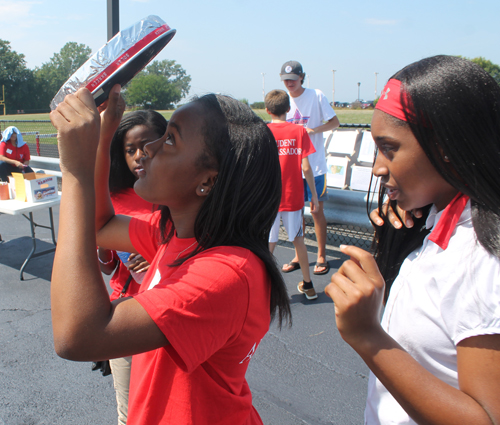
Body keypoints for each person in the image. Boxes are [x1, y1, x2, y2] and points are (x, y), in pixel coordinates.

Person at [49, 84, 291, 425]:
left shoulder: (225, 274)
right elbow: (101, 225)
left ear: (207, 180)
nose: (149, 148)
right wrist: (104, 138)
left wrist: (75, 172)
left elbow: (77, 336)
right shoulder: (174, 234)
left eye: (170, 140)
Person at [325, 55, 500, 424]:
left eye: (390, 148)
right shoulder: (440, 225)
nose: (377, 167)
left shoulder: (482, 257)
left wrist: (368, 336)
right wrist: (397, 240)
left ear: (447, 146)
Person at [96, 110, 167, 425]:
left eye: (147, 146)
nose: (139, 156)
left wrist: (158, 261)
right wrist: (103, 245)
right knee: (130, 414)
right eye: (129, 150)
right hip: (125, 312)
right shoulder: (111, 200)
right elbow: (109, 267)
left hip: (169, 316)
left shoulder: (182, 195)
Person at [280, 60, 340, 276]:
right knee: (297, 214)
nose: (289, 83)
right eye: (285, 80)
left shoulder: (316, 95)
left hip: (314, 167)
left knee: (316, 211)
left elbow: (335, 122)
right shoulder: (283, 100)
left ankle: (321, 255)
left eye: (293, 80)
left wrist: (313, 130)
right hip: (293, 168)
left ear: (301, 77)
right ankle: (300, 253)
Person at [265, 89, 319, 300]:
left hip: (269, 198)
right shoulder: (299, 131)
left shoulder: (264, 132)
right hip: (293, 197)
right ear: (288, 109)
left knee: (268, 243)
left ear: (268, 110)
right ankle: (308, 285)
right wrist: (313, 194)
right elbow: (306, 167)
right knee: (298, 241)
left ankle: (263, 287)